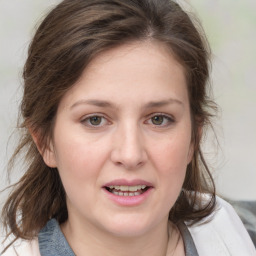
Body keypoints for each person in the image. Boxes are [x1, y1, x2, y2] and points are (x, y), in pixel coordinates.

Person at [1, 0, 255, 255]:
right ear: (45, 141)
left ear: (193, 138)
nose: (130, 155)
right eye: (95, 120)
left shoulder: (241, 235)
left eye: (158, 119)